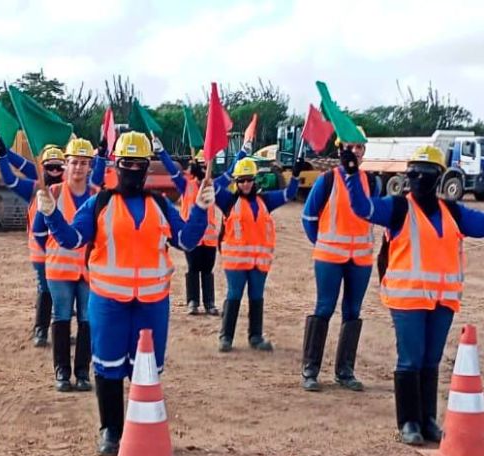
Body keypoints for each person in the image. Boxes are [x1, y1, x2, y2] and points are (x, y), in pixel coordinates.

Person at [37, 131, 214, 456]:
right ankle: (111, 432)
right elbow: (73, 239)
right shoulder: (99, 203)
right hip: (107, 303)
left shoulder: (160, 204)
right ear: (115, 165)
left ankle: (142, 432)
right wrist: (51, 215)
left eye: (139, 164)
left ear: (147, 168)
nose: (132, 170)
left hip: (152, 305)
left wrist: (201, 210)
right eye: (126, 163)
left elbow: (187, 241)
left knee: (146, 371)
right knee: (107, 368)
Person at [344, 145, 484, 444]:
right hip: (408, 299)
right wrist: (351, 173)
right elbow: (362, 208)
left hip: (443, 300)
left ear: (439, 177)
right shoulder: (397, 208)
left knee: (431, 360)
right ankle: (408, 423)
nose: (418, 178)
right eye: (413, 173)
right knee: (411, 359)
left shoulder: (452, 212)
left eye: (425, 173)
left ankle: (428, 420)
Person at [0, 134, 107, 347]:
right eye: (49, 167)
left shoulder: (70, 189)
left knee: (65, 299)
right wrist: (3, 154)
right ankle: (41, 331)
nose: (54, 171)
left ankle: (48, 332)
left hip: (66, 255)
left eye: (58, 167)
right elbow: (12, 177)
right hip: (42, 252)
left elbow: (96, 178)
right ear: (42, 168)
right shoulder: (36, 188)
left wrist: (102, 156)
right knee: (46, 291)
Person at [299, 129, 381, 392]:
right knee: (324, 308)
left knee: (352, 312)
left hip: (361, 259)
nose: (355, 152)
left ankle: (345, 371)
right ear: (340, 150)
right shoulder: (327, 180)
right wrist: (322, 242)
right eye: (351, 147)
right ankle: (310, 369)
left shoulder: (374, 183)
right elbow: (308, 217)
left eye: (360, 148)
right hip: (329, 257)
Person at [32, 138, 100, 392]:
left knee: (87, 319)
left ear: (90, 167)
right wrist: (52, 252)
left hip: (88, 271)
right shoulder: (54, 194)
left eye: (84, 163)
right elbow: (38, 233)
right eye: (74, 163)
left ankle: (82, 372)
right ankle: (62, 371)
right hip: (59, 270)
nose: (79, 168)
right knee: (60, 317)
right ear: (66, 165)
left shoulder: (96, 197)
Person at [217, 157, 301, 352]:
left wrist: (295, 175)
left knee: (256, 297)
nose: (246, 184)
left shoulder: (265, 201)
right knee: (234, 295)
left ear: (255, 180)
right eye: (241, 180)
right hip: (236, 263)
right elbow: (211, 187)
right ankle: (226, 337)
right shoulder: (228, 200)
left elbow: (289, 193)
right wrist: (228, 171)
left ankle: (255, 337)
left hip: (259, 264)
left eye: (249, 179)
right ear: (236, 182)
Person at [157, 145, 222, 316]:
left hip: (209, 239)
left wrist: (243, 150)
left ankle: (209, 303)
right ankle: (193, 302)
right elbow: (172, 170)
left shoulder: (214, 186)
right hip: (192, 237)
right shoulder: (186, 185)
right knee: (193, 268)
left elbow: (231, 173)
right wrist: (161, 151)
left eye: (206, 165)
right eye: (201, 165)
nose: (203, 169)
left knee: (207, 270)